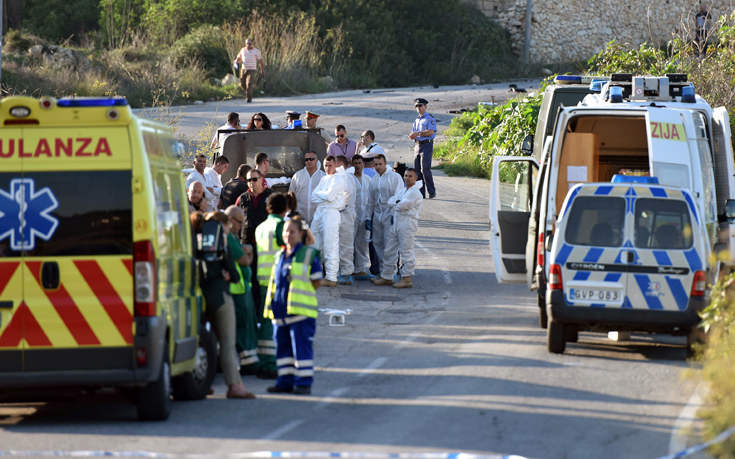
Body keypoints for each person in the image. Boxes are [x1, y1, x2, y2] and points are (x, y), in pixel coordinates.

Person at [191, 211, 255, 399]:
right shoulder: (221, 242)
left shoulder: (195, 240)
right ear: (223, 225)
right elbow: (235, 275)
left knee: (204, 343)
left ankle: (203, 383)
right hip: (220, 297)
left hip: (200, 298)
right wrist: (228, 274)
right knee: (227, 343)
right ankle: (235, 386)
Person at [264, 216, 322, 395]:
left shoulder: (308, 254)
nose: (288, 235)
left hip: (300, 312)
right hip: (280, 312)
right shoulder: (279, 255)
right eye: (286, 231)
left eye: (292, 232)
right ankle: (284, 382)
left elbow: (317, 281)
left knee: (301, 349)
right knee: (283, 349)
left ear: (300, 234)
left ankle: (303, 383)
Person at [254, 193, 289, 379]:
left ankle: (262, 359)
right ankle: (270, 363)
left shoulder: (261, 227)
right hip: (276, 279)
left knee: (264, 320)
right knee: (274, 322)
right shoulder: (280, 226)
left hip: (262, 278)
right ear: (285, 210)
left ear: (268, 208)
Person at [224, 206, 259, 370]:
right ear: (230, 220)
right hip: (237, 290)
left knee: (247, 326)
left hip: (242, 288)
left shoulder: (232, 236)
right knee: (243, 327)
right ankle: (247, 362)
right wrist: (250, 252)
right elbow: (244, 260)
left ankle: (249, 360)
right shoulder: (229, 238)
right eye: (240, 222)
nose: (242, 225)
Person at [236, 169, 274, 312]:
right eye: (248, 180)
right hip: (247, 245)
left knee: (263, 281)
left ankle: (263, 311)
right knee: (248, 279)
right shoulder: (243, 197)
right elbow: (234, 216)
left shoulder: (271, 197)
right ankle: (251, 311)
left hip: (265, 247)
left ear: (261, 178)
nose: (251, 183)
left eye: (254, 179)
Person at [367, 154, 404, 286]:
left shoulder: (395, 177)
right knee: (378, 244)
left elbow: (399, 196)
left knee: (390, 245)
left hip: (390, 215)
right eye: (375, 164)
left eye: (380, 164)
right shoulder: (374, 179)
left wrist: (396, 214)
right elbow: (370, 200)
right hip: (378, 215)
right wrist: (368, 217)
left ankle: (391, 273)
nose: (377, 167)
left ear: (385, 163)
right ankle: (384, 273)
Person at [383, 168, 423, 288]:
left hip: (407, 223)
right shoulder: (403, 191)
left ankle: (406, 278)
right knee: (389, 250)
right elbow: (391, 201)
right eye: (406, 176)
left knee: (406, 251)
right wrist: (397, 203)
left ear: (415, 178)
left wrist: (396, 204)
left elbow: (403, 205)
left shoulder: (415, 192)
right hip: (397, 222)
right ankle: (387, 276)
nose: (407, 178)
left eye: (410, 176)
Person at [311, 155, 347, 287]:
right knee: (314, 243)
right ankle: (315, 273)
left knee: (330, 245)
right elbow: (312, 197)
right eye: (325, 165)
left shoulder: (339, 178)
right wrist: (324, 196)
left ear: (336, 165)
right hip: (320, 211)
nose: (327, 168)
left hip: (331, 213)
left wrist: (322, 195)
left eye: (330, 165)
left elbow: (330, 196)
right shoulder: (324, 178)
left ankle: (331, 277)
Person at [336, 155, 359, 285]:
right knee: (340, 244)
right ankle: (342, 271)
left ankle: (346, 273)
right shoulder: (343, 176)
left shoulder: (346, 177)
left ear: (339, 163)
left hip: (345, 214)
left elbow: (348, 193)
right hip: (343, 213)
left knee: (345, 244)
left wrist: (340, 207)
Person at [408, 97, 437, 199]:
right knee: (417, 170)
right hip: (417, 145)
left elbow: (431, 131)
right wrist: (412, 135)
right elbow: (414, 132)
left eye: (420, 105)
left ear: (425, 106)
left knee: (425, 168)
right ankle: (421, 192)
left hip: (427, 145)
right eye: (416, 106)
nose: (418, 108)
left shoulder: (430, 118)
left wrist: (418, 133)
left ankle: (431, 191)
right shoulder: (416, 120)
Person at [288, 151, 326, 225]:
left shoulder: (323, 176)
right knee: (302, 236)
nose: (309, 161)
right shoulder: (298, 175)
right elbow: (291, 195)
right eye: (306, 159)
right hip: (300, 217)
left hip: (318, 217)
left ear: (317, 160)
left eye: (311, 159)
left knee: (314, 236)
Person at [350, 154, 372, 279]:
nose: (357, 165)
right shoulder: (349, 179)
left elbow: (372, 199)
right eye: (355, 163)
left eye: (359, 163)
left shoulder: (368, 180)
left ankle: (360, 268)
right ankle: (348, 268)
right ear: (352, 165)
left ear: (363, 164)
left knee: (362, 244)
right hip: (352, 215)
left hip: (365, 215)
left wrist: (369, 216)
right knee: (349, 243)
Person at [233, 38, 265, 103]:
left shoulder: (256, 51)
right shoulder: (243, 50)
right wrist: (236, 61)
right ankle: (249, 92)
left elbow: (260, 60)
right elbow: (239, 58)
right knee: (242, 83)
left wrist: (262, 70)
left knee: (249, 83)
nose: (248, 45)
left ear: (252, 44)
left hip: (252, 69)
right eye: (247, 44)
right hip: (244, 69)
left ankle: (249, 98)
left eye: (249, 44)